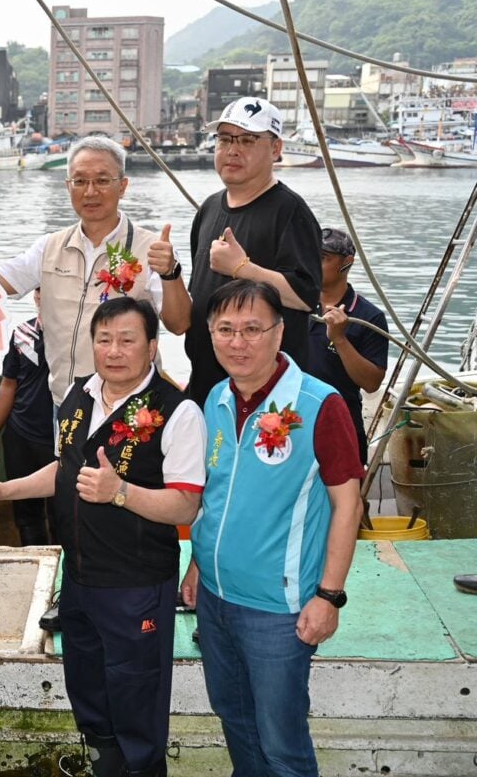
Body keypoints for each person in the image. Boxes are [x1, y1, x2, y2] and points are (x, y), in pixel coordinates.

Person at [0, 297, 206, 777]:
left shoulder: (178, 412)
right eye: (104, 340)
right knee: (89, 693)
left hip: (136, 584)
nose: (114, 351)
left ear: (152, 347)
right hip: (79, 581)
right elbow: (65, 470)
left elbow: (186, 505)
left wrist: (121, 492)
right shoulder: (79, 394)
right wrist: (4, 489)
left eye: (127, 340)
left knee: (137, 700)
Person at [181, 280, 364, 777]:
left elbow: (347, 506)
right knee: (234, 718)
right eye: (225, 329)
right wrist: (198, 561)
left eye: (252, 329)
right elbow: (216, 492)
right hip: (215, 597)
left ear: (279, 333)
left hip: (279, 610)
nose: (237, 342)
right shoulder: (215, 397)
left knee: (282, 743)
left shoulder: (319, 404)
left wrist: (329, 596)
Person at [0, 135, 187, 407]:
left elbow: (179, 324)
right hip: (65, 406)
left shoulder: (152, 249)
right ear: (68, 186)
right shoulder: (49, 247)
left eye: (102, 180)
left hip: (131, 408)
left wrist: (170, 273)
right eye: (80, 181)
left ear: (122, 186)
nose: (90, 191)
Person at [152, 97, 323, 405]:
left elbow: (306, 296)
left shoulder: (289, 211)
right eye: (225, 139)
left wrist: (242, 268)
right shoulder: (209, 209)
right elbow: (193, 309)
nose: (232, 150)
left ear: (275, 149)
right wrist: (170, 272)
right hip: (206, 386)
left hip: (265, 396)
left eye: (247, 140)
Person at [306, 227, 389, 465]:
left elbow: (371, 383)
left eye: (323, 257)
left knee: (345, 488)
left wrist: (340, 339)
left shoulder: (368, 316)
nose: (313, 263)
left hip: (341, 422)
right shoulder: (295, 304)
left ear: (347, 262)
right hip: (292, 418)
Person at [0, 289, 56, 545]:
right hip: (20, 435)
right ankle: (33, 559)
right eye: (39, 290)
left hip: (59, 438)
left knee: (62, 513)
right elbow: (8, 384)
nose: (43, 296)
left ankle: (63, 566)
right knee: (26, 515)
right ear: (35, 296)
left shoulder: (78, 336)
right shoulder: (22, 334)